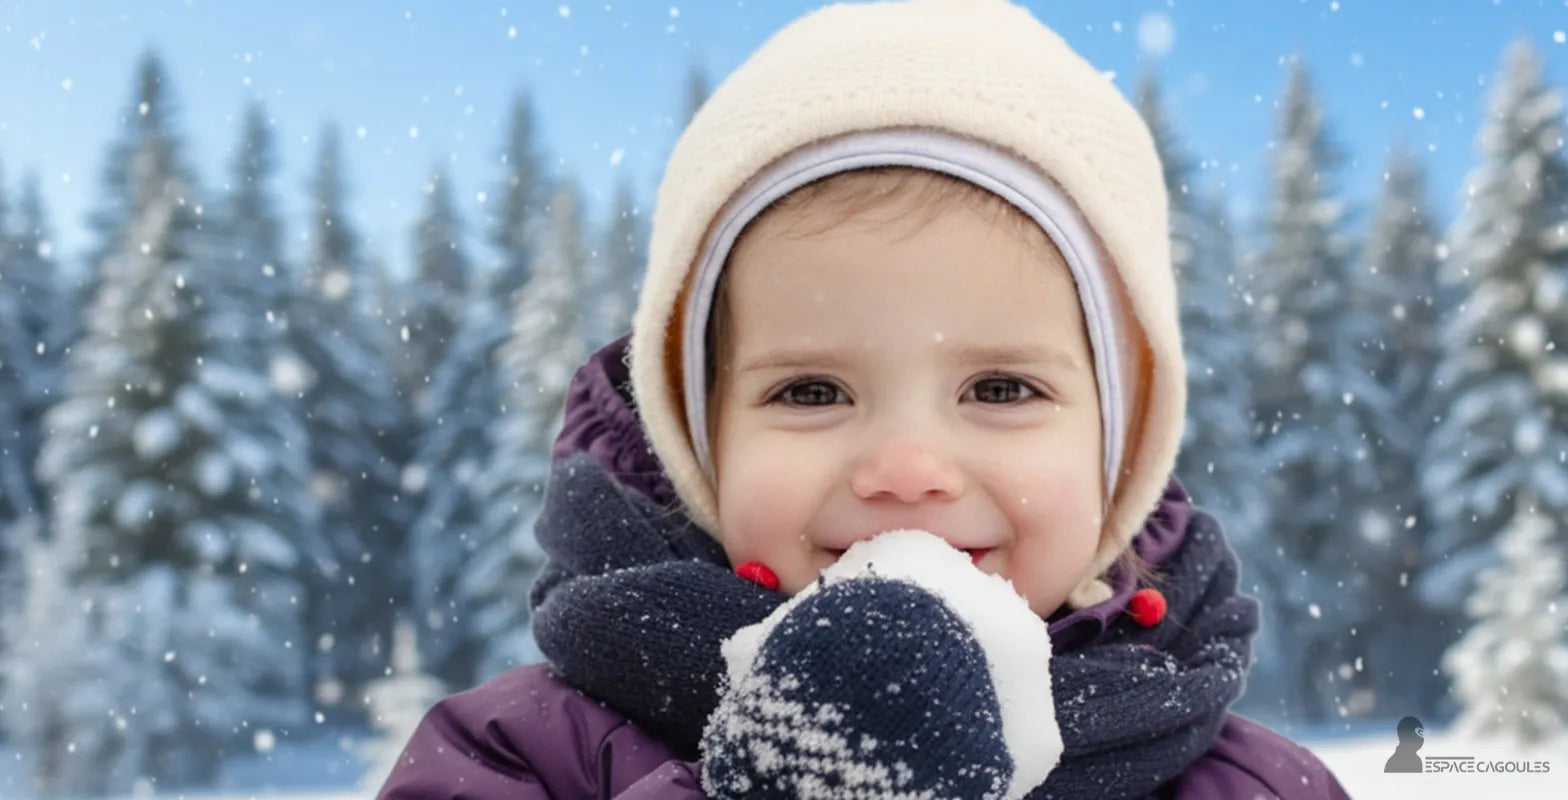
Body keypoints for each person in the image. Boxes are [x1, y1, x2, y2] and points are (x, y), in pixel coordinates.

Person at [378, 0, 1352, 796]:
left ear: (1120, 443)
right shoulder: (527, 754)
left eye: (1001, 386)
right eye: (810, 389)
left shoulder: (1252, 784)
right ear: (699, 437)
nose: (905, 469)